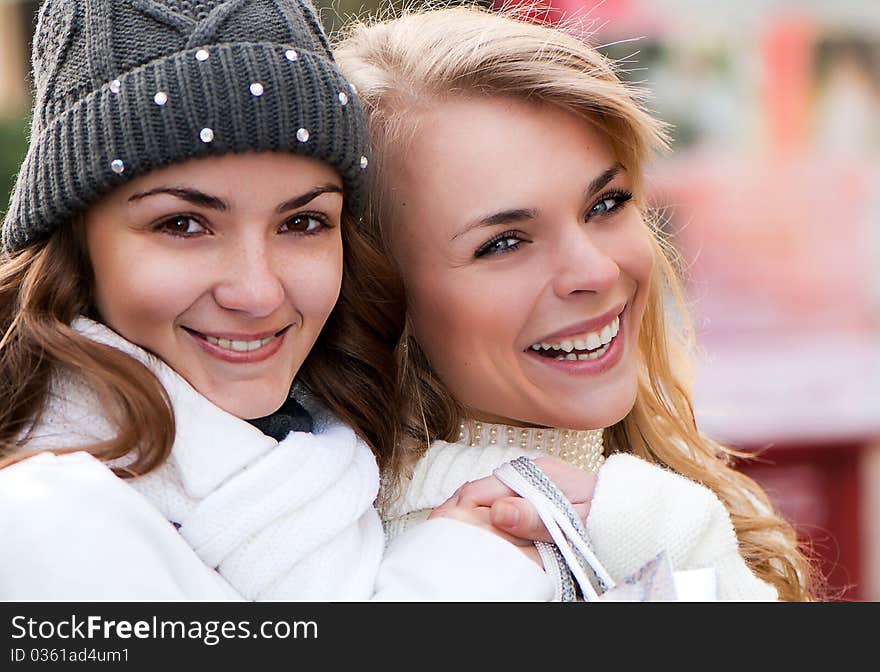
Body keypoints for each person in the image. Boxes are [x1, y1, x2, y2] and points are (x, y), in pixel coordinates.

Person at [0, 0, 569, 601]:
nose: (257, 292)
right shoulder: (42, 519)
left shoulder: (336, 454)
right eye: (184, 225)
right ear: (75, 241)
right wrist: (467, 569)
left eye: (301, 223)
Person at [335, 4, 820, 601]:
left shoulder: (637, 501)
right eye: (504, 242)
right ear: (379, 297)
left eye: (606, 204)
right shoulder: (453, 566)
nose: (595, 269)